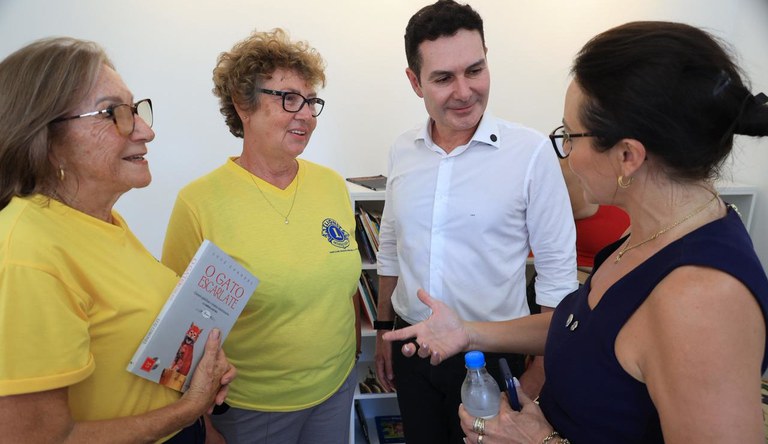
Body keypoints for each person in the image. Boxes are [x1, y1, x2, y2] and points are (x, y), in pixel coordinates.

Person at [385, 21, 768, 444]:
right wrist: (470, 332)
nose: (565, 153)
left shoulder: (703, 300)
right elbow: (579, 325)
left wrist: (542, 441)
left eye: (570, 135)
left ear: (627, 156)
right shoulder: (644, 240)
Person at [0, 37, 234, 443]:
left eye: (135, 109)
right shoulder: (29, 255)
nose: (146, 130)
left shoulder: (101, 219)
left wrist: (197, 373)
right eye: (113, 113)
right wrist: (189, 409)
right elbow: (42, 438)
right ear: (47, 138)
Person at [373, 1, 578, 442]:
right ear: (414, 82)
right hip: (413, 348)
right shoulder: (402, 150)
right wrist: (384, 330)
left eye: (475, 70)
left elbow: (557, 271)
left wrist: (540, 370)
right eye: (443, 78)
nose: (465, 91)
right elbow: (390, 244)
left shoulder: (530, 153)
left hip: (493, 354)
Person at [161, 28, 361, 444]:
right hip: (253, 409)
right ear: (243, 105)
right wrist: (204, 421)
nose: (305, 114)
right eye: (289, 99)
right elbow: (182, 329)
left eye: (311, 102)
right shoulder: (199, 202)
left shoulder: (331, 185)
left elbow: (344, 286)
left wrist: (351, 355)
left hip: (335, 387)